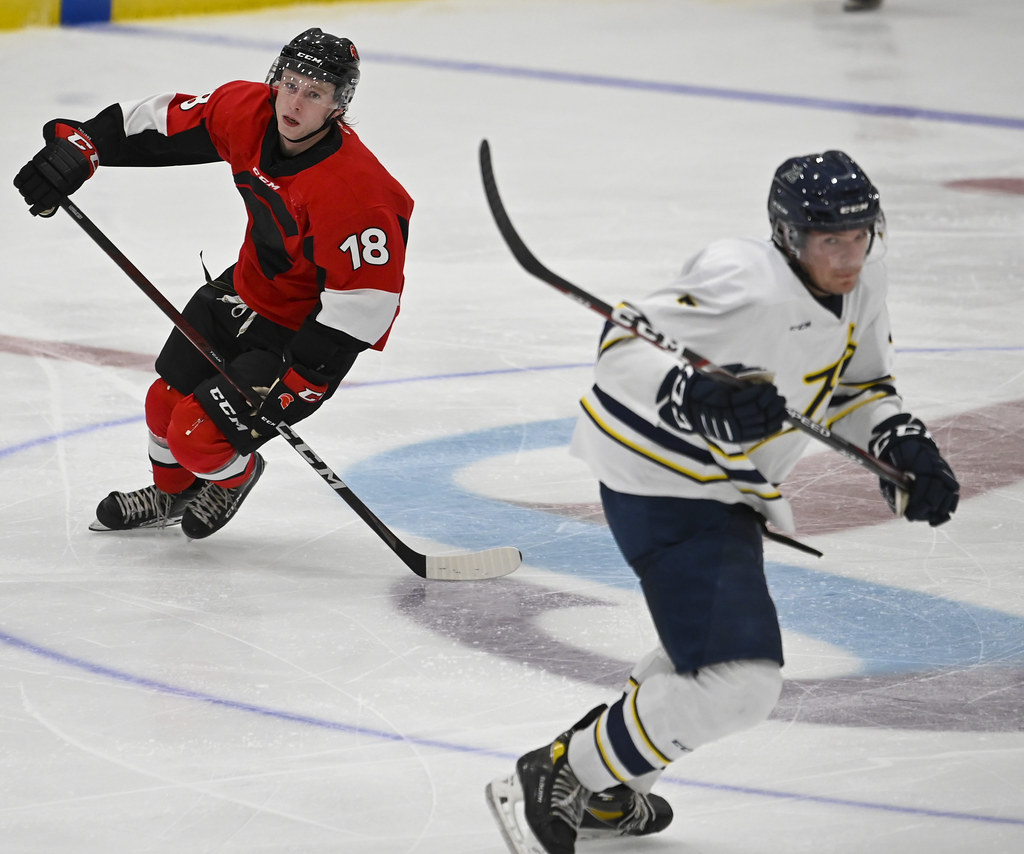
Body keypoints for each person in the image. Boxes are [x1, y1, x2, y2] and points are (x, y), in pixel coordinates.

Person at [485, 151, 959, 854]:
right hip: (660, 479)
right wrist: (693, 396)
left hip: (727, 486)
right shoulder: (743, 278)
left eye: (861, 236)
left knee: (706, 659)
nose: (849, 255)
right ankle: (560, 772)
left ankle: (609, 790)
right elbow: (620, 347)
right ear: (788, 236)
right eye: (830, 240)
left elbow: (861, 388)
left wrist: (901, 447)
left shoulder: (865, 280)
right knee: (739, 683)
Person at [14, 28, 413, 539]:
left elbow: (367, 302)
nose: (294, 102)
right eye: (290, 83)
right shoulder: (246, 110)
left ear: (338, 106)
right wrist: (84, 146)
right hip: (243, 290)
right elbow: (158, 121)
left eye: (314, 93)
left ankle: (233, 479)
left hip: (298, 334)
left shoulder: (360, 194)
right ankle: (172, 494)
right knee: (163, 402)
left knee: (196, 436)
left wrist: (305, 378)